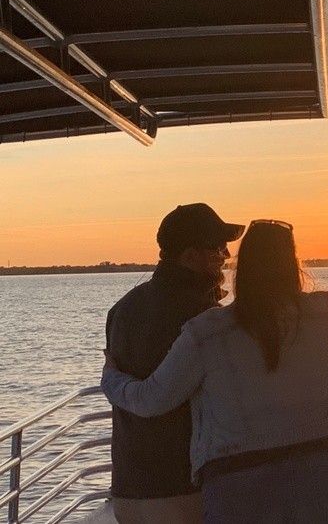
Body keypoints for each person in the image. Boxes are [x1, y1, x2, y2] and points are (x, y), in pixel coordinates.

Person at [101, 219, 328, 523]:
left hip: (238, 482)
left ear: (243, 266)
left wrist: (112, 378)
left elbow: (152, 399)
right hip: (323, 473)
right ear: (292, 263)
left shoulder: (205, 333)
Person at [105, 203, 245, 524]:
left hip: (128, 488)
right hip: (183, 488)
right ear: (189, 255)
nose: (225, 254)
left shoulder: (122, 310)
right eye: (216, 246)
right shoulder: (203, 318)